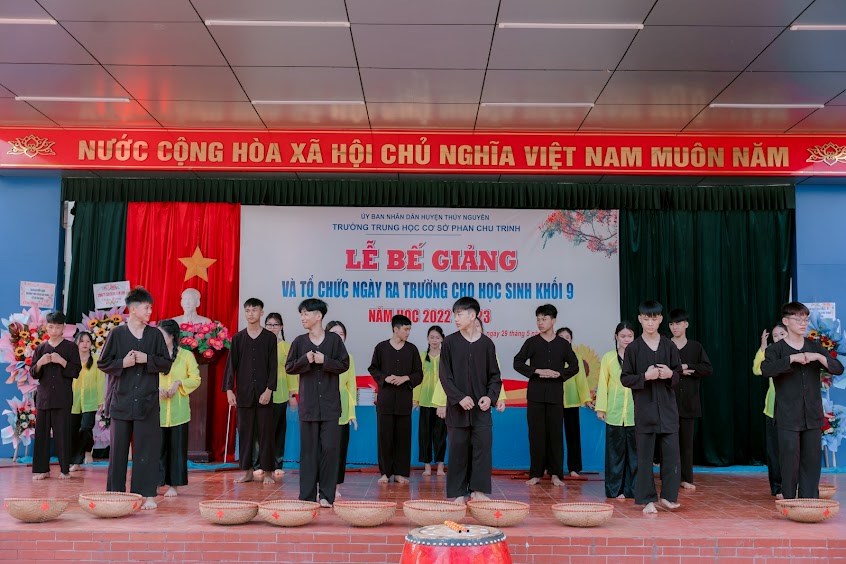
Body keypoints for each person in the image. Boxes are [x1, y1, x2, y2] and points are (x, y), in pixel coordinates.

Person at [99, 287, 173, 509]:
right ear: (132, 309)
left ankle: (146, 494)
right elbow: (103, 363)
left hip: (147, 403)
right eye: (146, 307)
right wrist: (123, 363)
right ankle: (115, 493)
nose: (150, 311)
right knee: (118, 452)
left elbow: (166, 364)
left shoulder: (155, 335)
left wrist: (147, 359)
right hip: (121, 401)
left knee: (146, 450)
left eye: (151, 307)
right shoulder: (117, 334)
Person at [762, 302, 844, 499]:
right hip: (788, 415)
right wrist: (791, 359)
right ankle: (789, 500)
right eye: (798, 319)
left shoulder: (814, 346)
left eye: (806, 319)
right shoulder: (776, 349)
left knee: (812, 460)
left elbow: (838, 368)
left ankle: (808, 501)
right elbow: (766, 370)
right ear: (786, 321)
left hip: (812, 414)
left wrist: (819, 357)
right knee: (789, 459)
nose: (803, 323)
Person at [286, 299, 350, 508]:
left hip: (330, 406)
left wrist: (325, 362)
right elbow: (289, 367)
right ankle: (307, 496)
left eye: (306, 313)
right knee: (308, 452)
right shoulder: (299, 342)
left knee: (330, 450)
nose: (303, 318)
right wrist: (306, 359)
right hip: (309, 406)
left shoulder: (334, 340)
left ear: (318, 316)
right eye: (301, 314)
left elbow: (344, 364)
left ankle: (326, 496)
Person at [620, 300, 683, 514]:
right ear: (640, 319)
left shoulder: (669, 345)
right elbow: (625, 378)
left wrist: (670, 374)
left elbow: (679, 374)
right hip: (645, 410)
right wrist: (645, 377)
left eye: (654, 319)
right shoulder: (633, 348)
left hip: (668, 410)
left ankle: (668, 497)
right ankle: (647, 499)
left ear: (660, 320)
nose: (650, 323)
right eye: (646, 319)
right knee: (645, 458)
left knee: (672, 456)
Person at [439, 297, 502, 504]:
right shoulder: (449, 342)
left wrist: (489, 397)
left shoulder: (487, 344)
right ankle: (458, 493)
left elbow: (495, 376)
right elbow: (444, 376)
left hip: (481, 411)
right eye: (454, 314)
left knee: (482, 450)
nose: (456, 318)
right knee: (458, 450)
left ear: (473, 315)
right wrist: (458, 397)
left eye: (460, 314)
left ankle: (478, 491)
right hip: (457, 409)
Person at [513, 304, 579, 487]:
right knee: (536, 435)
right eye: (538, 319)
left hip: (555, 395)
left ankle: (556, 473)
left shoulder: (563, 344)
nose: (540, 322)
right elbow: (517, 362)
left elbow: (575, 366)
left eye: (544, 319)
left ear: (553, 320)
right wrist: (536, 371)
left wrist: (560, 374)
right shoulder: (531, 342)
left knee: (555, 435)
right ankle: (536, 473)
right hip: (535, 395)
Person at [223, 298, 277, 484]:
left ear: (261, 312)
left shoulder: (270, 338)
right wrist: (229, 390)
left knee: (266, 434)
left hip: (264, 394)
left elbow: (273, 367)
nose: (250, 313)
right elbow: (231, 366)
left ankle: (268, 472)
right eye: (247, 310)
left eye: (254, 310)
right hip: (244, 394)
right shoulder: (238, 338)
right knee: (245, 433)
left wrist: (269, 390)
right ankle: (247, 471)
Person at [369, 315, 423, 484]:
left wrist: (406, 378)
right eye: (405, 329)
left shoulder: (412, 350)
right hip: (385, 401)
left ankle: (400, 473)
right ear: (395, 329)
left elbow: (419, 374)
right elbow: (373, 368)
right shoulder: (381, 348)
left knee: (403, 438)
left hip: (404, 401)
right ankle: (385, 472)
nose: (408, 332)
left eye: (409, 329)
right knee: (384, 437)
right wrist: (384, 378)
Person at [31, 311, 81, 480]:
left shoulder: (71, 347)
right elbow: (34, 373)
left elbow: (76, 371)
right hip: (43, 398)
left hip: (63, 398)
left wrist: (62, 361)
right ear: (46, 327)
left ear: (63, 328)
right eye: (51, 327)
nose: (54, 331)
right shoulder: (40, 348)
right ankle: (42, 469)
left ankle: (64, 469)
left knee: (63, 434)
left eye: (58, 327)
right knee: (41, 435)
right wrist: (40, 363)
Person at [668, 308, 713, 492]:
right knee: (668, 444)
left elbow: (707, 369)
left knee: (687, 444)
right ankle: (669, 478)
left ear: (686, 324)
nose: (675, 327)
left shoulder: (695, 347)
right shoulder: (665, 345)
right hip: (668, 402)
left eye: (678, 323)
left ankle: (686, 478)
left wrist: (687, 366)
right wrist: (679, 370)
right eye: (671, 324)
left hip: (689, 402)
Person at [157, 319, 201, 498]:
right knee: (156, 449)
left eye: (162, 334)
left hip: (179, 412)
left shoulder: (186, 355)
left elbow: (196, 379)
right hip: (157, 411)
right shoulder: (154, 355)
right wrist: (156, 389)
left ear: (172, 336)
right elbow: (145, 377)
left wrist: (179, 383)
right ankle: (155, 483)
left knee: (176, 450)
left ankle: (173, 485)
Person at [595, 321, 637, 499]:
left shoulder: (639, 356)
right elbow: (602, 383)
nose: (626, 339)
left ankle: (632, 490)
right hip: (614, 413)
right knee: (615, 455)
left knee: (634, 455)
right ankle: (615, 490)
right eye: (623, 336)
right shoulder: (609, 357)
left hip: (635, 413)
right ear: (616, 337)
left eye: (630, 336)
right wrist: (601, 408)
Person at [753, 323, 787, 499]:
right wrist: (763, 348)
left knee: (792, 449)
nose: (778, 337)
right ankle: (778, 487)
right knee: (774, 451)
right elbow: (757, 370)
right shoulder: (771, 353)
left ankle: (793, 485)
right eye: (775, 335)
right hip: (772, 409)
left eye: (782, 334)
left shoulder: (797, 351)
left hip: (793, 409)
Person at [265, 312, 298, 479]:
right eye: (269, 324)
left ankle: (277, 463)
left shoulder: (287, 347)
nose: (272, 328)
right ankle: (261, 464)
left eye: (275, 325)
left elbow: (291, 371)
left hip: (281, 392)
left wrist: (292, 394)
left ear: (281, 327)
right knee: (262, 429)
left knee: (278, 429)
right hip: (262, 393)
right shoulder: (260, 344)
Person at [556, 327, 591, 477]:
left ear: (571, 340)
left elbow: (581, 380)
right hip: (554, 401)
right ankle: (551, 468)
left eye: (567, 337)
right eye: (561, 337)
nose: (564, 339)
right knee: (553, 437)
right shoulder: (551, 356)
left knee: (573, 436)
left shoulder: (575, 357)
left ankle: (574, 468)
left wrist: (586, 399)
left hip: (572, 402)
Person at [327, 320, 356, 498]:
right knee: (323, 450)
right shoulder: (319, 356)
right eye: (334, 333)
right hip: (323, 409)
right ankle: (321, 484)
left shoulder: (349, 358)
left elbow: (351, 386)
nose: (338, 337)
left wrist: (352, 413)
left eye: (341, 334)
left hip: (342, 409)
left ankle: (336, 486)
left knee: (339, 450)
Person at [69, 331, 105, 471]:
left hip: (90, 400)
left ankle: (82, 456)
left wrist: (101, 400)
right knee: (73, 430)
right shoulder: (71, 360)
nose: (85, 344)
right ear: (76, 343)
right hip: (73, 400)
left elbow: (100, 381)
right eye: (82, 341)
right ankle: (76, 458)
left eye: (88, 341)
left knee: (86, 428)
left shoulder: (96, 360)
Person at [415, 325, 447, 477]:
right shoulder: (422, 356)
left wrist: (446, 401)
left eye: (437, 337)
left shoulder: (446, 356)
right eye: (432, 337)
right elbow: (418, 380)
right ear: (427, 339)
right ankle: (427, 466)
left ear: (442, 339)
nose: (434, 340)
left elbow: (449, 380)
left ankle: (440, 466)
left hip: (441, 403)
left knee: (440, 435)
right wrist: (416, 399)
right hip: (425, 401)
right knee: (425, 435)